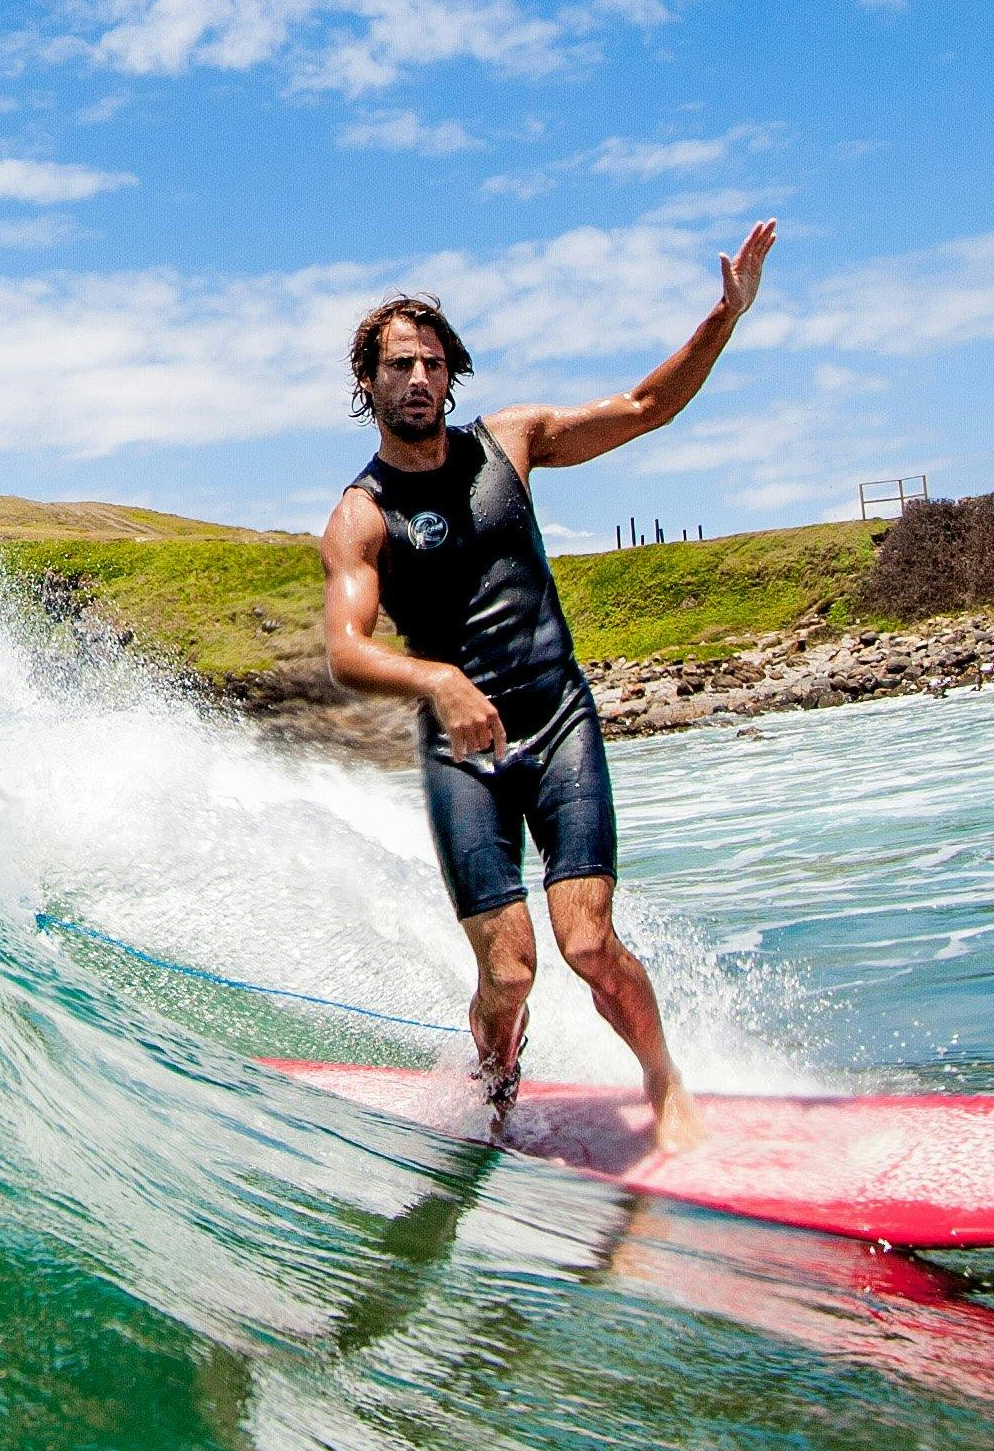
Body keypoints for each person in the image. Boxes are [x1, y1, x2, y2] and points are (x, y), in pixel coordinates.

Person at [315, 223, 775, 1157]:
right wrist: (438, 679)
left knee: (589, 942)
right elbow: (345, 651)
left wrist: (725, 318)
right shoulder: (361, 516)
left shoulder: (512, 445)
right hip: (462, 747)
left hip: (556, 716)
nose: (417, 379)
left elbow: (645, 405)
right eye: (399, 365)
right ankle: (495, 1082)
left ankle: (664, 1081)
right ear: (367, 383)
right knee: (511, 972)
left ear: (453, 375)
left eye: (433, 363)